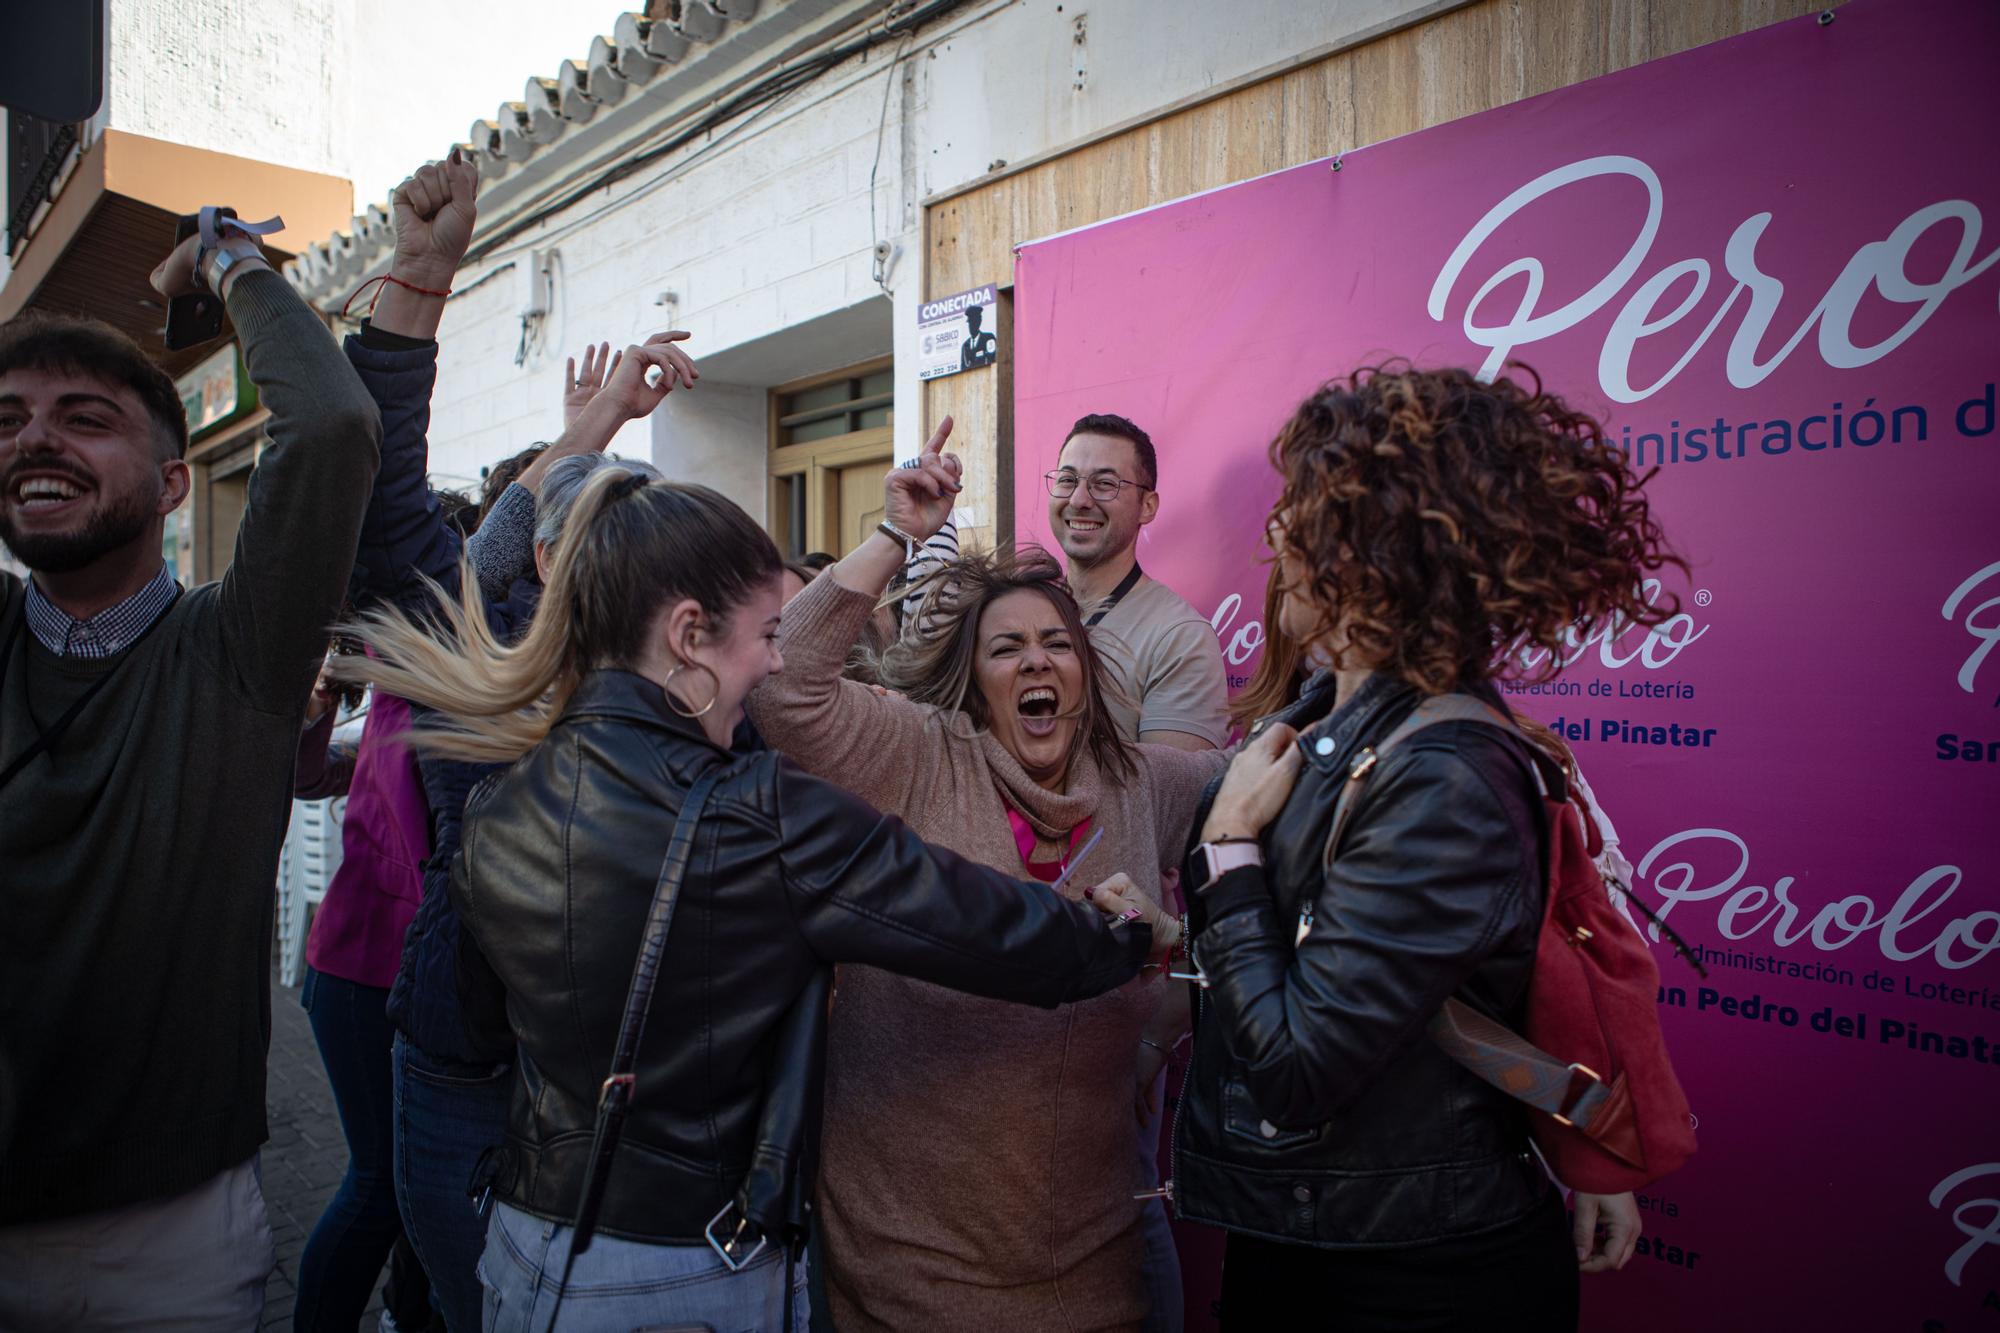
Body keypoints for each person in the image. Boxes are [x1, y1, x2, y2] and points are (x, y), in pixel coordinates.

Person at [329, 464, 1159, 1331]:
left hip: (528, 1247)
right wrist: (1125, 933)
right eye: (765, 633)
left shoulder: (501, 796)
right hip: (686, 1269)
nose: (773, 660)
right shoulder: (760, 811)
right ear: (690, 634)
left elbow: (482, 1020)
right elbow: (989, 930)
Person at [1162, 364, 1666, 1331]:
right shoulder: (1329, 720)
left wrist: (1228, 848)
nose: (1275, 537)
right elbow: (1311, 951)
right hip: (1319, 1228)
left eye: (1300, 514)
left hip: (1412, 1267)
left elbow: (1300, 1069)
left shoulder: (1446, 777)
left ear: (1374, 551)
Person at [747, 422, 1225, 1331]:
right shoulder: (917, 754)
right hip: (906, 1277)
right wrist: (895, 534)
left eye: (1058, 643)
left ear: (1085, 672)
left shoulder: (1138, 785)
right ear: (971, 677)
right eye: (1007, 648)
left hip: (1095, 1276)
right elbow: (784, 686)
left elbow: (1253, 789)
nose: (1036, 661)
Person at [0, 213, 381, 1326]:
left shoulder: (237, 654)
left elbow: (331, 424)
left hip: (167, 1242)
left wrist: (224, 265)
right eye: (10, 420)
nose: (37, 442)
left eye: (84, 419)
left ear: (175, 486)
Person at [1044, 412, 1229, 753]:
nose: (1079, 500)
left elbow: (1171, 795)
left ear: (1147, 506)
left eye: (1104, 484)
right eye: (1067, 480)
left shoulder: (1179, 638)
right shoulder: (1025, 611)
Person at [959, 301, 997, 369]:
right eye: (969, 323)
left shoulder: (988, 338)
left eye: (973, 322)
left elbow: (993, 359)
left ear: (979, 322)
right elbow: (963, 368)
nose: (971, 326)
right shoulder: (965, 345)